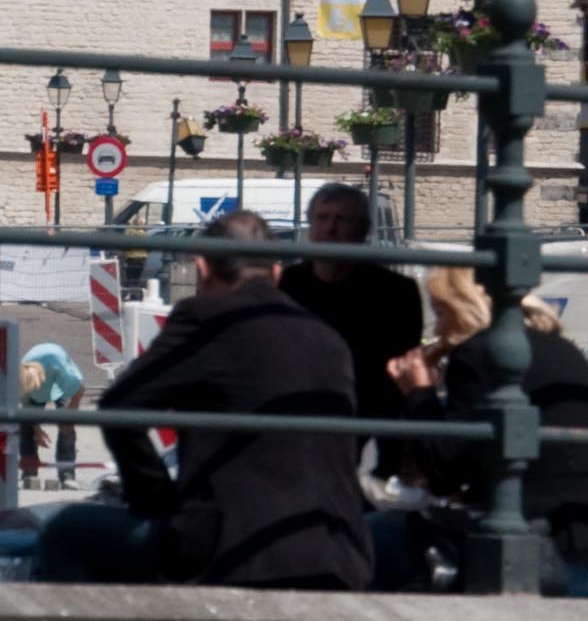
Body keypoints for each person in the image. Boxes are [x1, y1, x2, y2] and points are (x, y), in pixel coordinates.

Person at [26, 213, 373, 590]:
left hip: (235, 550)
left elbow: (120, 407)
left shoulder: (205, 317)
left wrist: (158, 504)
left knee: (67, 531)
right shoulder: (328, 339)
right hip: (339, 552)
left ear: (203, 267)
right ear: (276, 271)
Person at [380, 271, 588, 597]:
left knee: (373, 541)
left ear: (466, 308)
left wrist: (419, 393)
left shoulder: (480, 353)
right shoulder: (561, 349)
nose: (438, 328)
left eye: (442, 312)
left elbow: (443, 468)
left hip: (545, 547)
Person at [283, 182, 427, 442]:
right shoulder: (285, 285)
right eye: (322, 218)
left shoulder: (395, 292)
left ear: (362, 231)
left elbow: (399, 368)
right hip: (298, 412)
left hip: (371, 415)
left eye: (342, 220)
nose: (330, 228)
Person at [19, 339, 86, 486]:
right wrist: (37, 430)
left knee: (66, 426)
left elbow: (80, 389)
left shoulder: (62, 371)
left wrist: (71, 412)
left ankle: (67, 474)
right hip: (34, 384)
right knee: (26, 425)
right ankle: (29, 472)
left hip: (57, 378)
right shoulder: (23, 379)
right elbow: (26, 409)